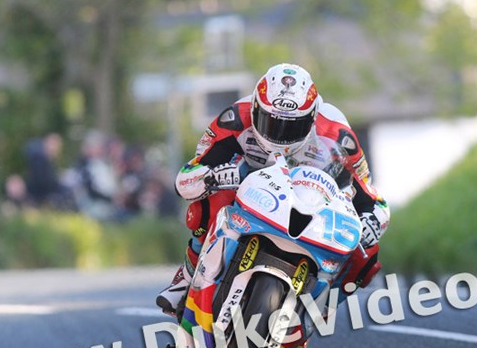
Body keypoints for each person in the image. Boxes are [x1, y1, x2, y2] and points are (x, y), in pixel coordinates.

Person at [156, 63, 390, 317]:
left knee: (366, 256)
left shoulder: (338, 136)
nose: (280, 135)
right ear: (256, 107)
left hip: (310, 204)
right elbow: (186, 179)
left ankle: (311, 317)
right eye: (271, 122)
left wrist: (372, 222)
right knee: (207, 201)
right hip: (250, 196)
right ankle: (189, 274)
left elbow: (374, 201)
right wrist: (212, 178)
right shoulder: (233, 119)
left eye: (293, 126)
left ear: (312, 117)